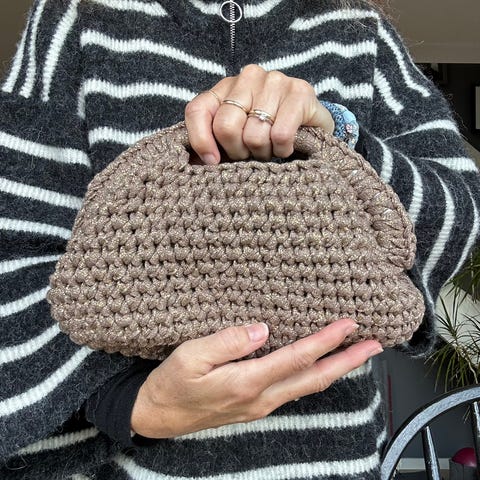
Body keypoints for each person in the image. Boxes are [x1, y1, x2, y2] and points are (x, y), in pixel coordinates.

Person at [0, 0, 479, 478]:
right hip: (134, 465)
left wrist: (340, 132)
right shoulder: (82, 21)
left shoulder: (358, 31)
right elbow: (15, 249)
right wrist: (129, 405)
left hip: (337, 459)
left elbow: (457, 215)